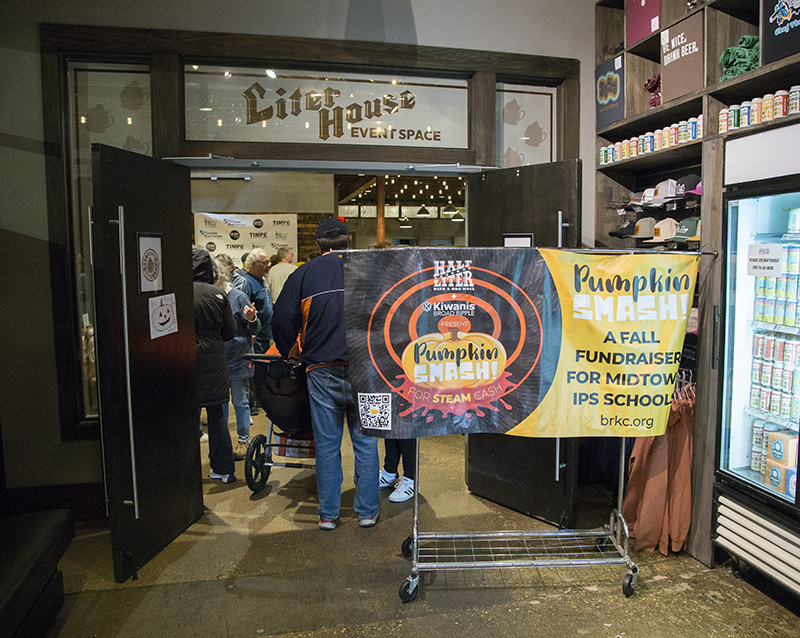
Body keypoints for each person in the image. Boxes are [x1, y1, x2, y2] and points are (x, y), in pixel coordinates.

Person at [272, 217, 379, 530]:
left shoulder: (303, 273)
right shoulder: (370, 270)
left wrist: (289, 350)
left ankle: (328, 515)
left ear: (318, 245)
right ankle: (367, 512)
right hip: (367, 369)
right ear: (348, 240)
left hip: (321, 369)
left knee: (327, 445)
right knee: (367, 443)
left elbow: (280, 319)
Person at [193, 246, 237, 483]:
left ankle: (185, 472)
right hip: (215, 361)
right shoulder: (218, 294)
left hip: (185, 362)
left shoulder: (176, 293)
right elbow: (230, 332)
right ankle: (223, 469)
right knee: (217, 417)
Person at [215, 258, 260, 462]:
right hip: (217, 360)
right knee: (220, 403)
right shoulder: (211, 297)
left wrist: (252, 319)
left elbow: (253, 328)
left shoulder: (238, 296)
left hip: (238, 358)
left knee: (240, 401)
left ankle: (244, 441)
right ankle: (222, 441)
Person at [242, 249, 274, 354]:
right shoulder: (247, 282)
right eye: (265, 262)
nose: (269, 265)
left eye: (269, 262)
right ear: (254, 264)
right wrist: (251, 333)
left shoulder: (262, 280)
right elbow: (245, 310)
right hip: (257, 338)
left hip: (266, 336)